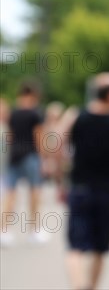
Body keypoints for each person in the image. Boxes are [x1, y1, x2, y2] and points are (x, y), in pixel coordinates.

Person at [57, 72, 109, 290]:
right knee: (100, 246)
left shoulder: (74, 115)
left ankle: (79, 285)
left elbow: (56, 147)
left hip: (79, 187)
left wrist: (60, 180)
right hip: (107, 190)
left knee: (76, 245)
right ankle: (88, 286)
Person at [1, 81, 46, 247]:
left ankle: (3, 231)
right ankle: (34, 230)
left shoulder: (13, 113)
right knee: (34, 193)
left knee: (10, 194)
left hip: (14, 156)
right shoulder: (35, 113)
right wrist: (43, 159)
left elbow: (10, 136)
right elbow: (39, 137)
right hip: (30, 155)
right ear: (33, 95)